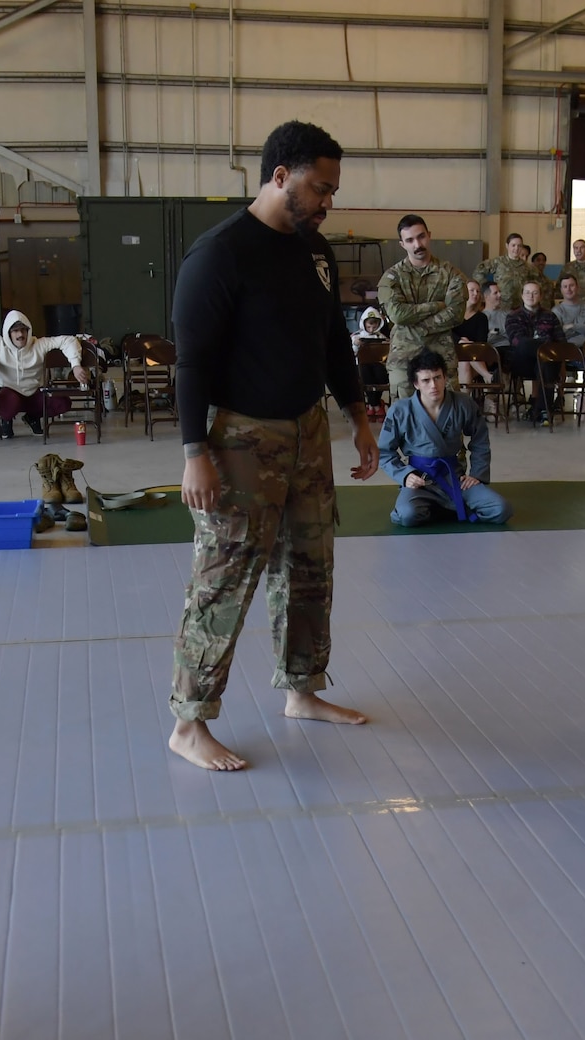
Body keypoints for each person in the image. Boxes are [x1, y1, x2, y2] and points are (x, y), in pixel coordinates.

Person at [168, 119, 379, 773]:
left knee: (310, 570)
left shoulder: (314, 253)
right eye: (320, 188)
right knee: (224, 581)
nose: (327, 202)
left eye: (333, 191)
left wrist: (357, 413)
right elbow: (191, 363)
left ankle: (302, 691)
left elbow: (332, 342)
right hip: (240, 440)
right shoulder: (219, 255)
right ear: (280, 176)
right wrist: (193, 451)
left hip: (307, 430)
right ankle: (189, 722)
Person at [378, 349, 510, 527]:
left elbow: (480, 440)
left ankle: (442, 506)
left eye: (437, 377)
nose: (433, 385)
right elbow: (385, 452)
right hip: (420, 480)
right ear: (416, 384)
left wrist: (477, 474)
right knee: (407, 516)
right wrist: (404, 475)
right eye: (426, 380)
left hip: (453, 477)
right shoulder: (401, 410)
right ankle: (446, 506)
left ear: (445, 378)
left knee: (501, 509)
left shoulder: (463, 404)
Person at [375, 214, 466, 405]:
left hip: (442, 353)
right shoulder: (392, 277)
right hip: (403, 355)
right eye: (410, 240)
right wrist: (436, 306)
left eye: (421, 236)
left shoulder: (451, 273)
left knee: (448, 413)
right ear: (402, 244)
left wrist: (418, 325)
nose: (417, 244)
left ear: (429, 235)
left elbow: (456, 314)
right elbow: (398, 315)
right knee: (405, 414)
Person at [0, 310, 90, 439]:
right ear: (8, 333)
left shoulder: (39, 344)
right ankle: (6, 420)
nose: (20, 334)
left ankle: (32, 417)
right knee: (9, 402)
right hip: (8, 394)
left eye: (23, 330)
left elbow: (68, 340)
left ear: (29, 331)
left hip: (33, 393)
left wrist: (76, 365)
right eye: (15, 331)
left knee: (63, 403)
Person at [503, 278, 565, 424]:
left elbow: (561, 341)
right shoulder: (513, 316)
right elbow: (517, 341)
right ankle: (543, 409)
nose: (531, 296)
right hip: (522, 362)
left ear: (541, 296)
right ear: (522, 295)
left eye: (535, 293)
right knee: (526, 345)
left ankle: (542, 410)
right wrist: (545, 346)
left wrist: (547, 350)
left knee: (546, 361)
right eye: (527, 292)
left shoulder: (550, 316)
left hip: (546, 363)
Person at [452, 279, 495, 388]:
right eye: (472, 290)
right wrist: (461, 341)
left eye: (478, 291)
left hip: (476, 359)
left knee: (465, 359)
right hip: (453, 355)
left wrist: (469, 345)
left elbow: (481, 342)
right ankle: (488, 376)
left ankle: (464, 403)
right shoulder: (453, 314)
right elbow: (448, 335)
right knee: (464, 353)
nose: (475, 294)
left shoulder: (481, 318)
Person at [474, 232, 537, 307]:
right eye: (513, 245)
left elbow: (537, 282)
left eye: (519, 246)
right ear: (507, 246)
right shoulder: (498, 262)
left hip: (520, 306)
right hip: (501, 304)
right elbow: (478, 272)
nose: (516, 248)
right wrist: (488, 288)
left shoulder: (527, 267)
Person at [552, 272, 585, 346]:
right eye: (565, 286)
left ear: (577, 287)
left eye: (571, 285)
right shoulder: (556, 311)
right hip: (566, 351)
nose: (568, 289)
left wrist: (572, 326)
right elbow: (557, 335)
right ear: (561, 290)